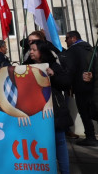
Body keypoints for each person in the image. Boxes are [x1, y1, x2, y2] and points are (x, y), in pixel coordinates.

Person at [27, 40, 72, 174]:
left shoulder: (53, 65)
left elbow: (66, 84)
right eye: (31, 49)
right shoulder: (26, 66)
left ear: (42, 51)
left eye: (34, 49)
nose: (31, 52)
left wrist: (53, 75)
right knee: (39, 143)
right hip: (35, 112)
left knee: (59, 142)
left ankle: (64, 171)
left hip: (55, 111)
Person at [63, 30, 97, 146]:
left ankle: (90, 136)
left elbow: (69, 69)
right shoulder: (90, 48)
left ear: (73, 38)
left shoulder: (73, 50)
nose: (65, 41)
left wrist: (67, 85)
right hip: (93, 86)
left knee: (84, 112)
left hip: (80, 86)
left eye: (66, 38)